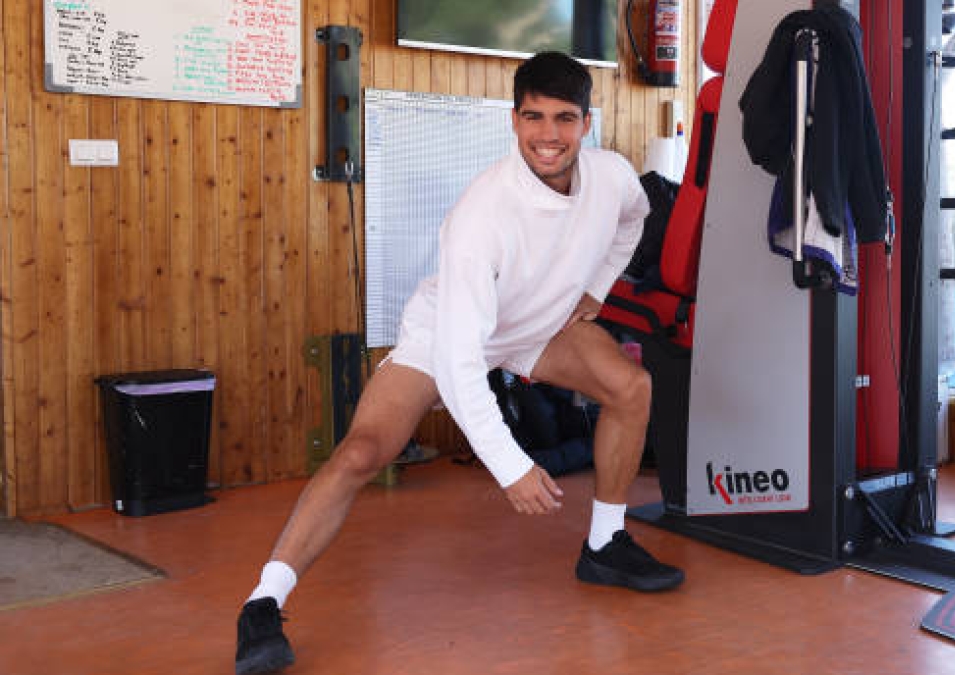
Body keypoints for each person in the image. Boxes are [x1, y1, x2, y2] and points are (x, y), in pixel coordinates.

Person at [234, 52, 684, 675]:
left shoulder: (610, 176)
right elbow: (459, 362)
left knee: (630, 387)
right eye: (533, 118)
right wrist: (511, 467)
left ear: (585, 124)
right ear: (513, 119)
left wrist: (598, 288)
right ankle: (263, 603)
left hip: (537, 325)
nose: (547, 135)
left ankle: (605, 542)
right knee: (362, 453)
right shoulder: (482, 214)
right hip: (446, 335)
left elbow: (632, 222)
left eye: (563, 119)